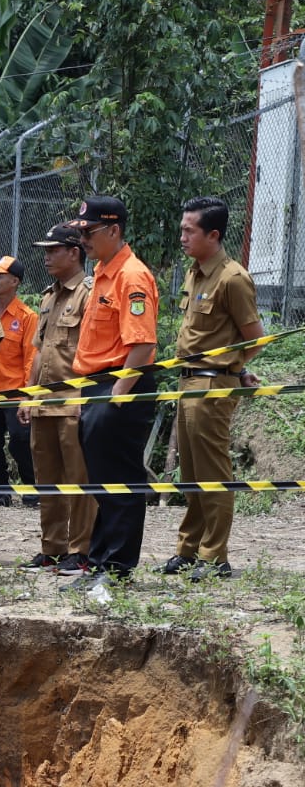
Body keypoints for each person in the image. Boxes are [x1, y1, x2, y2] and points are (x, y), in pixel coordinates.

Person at [161, 196, 264, 581]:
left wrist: (233, 370)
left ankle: (214, 556)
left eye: (190, 230)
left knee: (213, 473)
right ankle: (188, 549)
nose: (182, 236)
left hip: (212, 387)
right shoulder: (196, 272)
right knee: (191, 473)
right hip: (188, 383)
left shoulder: (232, 278)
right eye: (182, 228)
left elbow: (254, 338)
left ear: (214, 234)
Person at [65, 195, 161, 590]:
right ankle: (100, 563)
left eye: (88, 232)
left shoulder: (132, 276)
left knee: (120, 483)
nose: (82, 239)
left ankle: (117, 569)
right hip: (99, 386)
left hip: (121, 385)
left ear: (114, 230)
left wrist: (117, 399)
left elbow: (141, 345)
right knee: (102, 483)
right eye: (81, 232)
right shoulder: (105, 271)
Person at [18, 224, 97, 575]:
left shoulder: (89, 293)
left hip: (74, 400)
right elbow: (39, 351)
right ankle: (52, 547)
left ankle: (81, 548)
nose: (46, 256)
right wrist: (28, 395)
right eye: (44, 250)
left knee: (78, 480)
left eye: (53, 250)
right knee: (47, 480)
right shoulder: (48, 297)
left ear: (74, 252)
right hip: (44, 404)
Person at [0, 256, 39, 507]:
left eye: (0, 276)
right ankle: (1, 491)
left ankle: (32, 488)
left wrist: (28, 396)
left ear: (14, 281)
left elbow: (31, 358)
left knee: (20, 441)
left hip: (14, 393)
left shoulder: (27, 317)